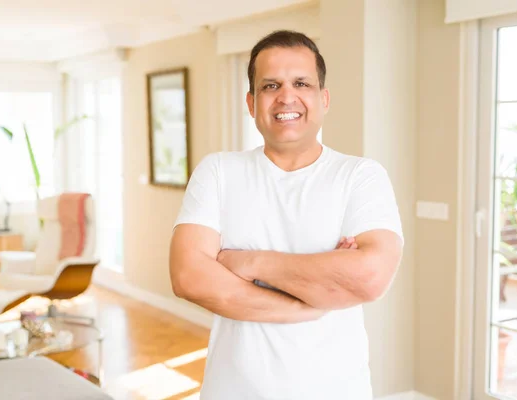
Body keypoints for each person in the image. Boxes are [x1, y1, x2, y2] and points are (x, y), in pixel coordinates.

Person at [169, 30, 404, 400]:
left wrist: (247, 262)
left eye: (301, 83)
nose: (286, 96)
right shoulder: (218, 171)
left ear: (323, 99)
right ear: (251, 102)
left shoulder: (360, 175)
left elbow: (370, 277)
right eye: (270, 85)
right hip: (233, 391)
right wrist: (309, 300)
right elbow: (188, 277)